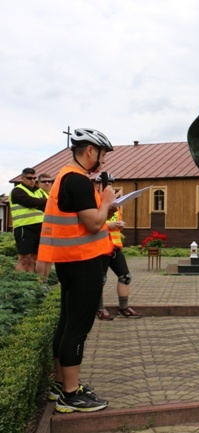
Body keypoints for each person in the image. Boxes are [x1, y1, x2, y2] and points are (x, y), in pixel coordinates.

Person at [38, 128, 117, 413]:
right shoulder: (79, 182)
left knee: (67, 321)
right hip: (83, 263)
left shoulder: (64, 178)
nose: (104, 161)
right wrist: (107, 200)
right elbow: (94, 224)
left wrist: (104, 204)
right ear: (90, 152)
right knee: (78, 327)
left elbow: (85, 220)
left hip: (69, 261)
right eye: (103, 154)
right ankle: (70, 395)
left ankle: (61, 384)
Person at [94, 173, 142, 321]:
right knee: (100, 280)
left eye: (111, 184)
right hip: (100, 248)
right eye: (105, 184)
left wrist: (119, 225)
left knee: (125, 276)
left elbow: (114, 222)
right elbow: (91, 223)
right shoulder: (94, 201)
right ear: (97, 186)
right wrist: (108, 225)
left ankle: (124, 307)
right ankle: (99, 309)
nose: (109, 186)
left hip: (115, 247)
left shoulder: (114, 202)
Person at [9, 167, 48, 272]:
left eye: (34, 178)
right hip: (24, 227)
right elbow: (30, 202)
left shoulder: (38, 192)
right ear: (22, 178)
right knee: (24, 258)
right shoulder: (17, 191)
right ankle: (19, 283)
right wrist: (41, 202)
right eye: (29, 178)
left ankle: (30, 283)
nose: (32, 180)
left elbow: (45, 204)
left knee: (33, 258)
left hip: (39, 227)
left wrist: (39, 202)